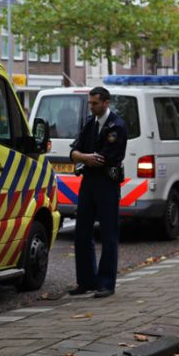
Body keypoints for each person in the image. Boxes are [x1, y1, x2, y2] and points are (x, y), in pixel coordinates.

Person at [68, 86, 128, 298]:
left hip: (107, 185)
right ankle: (86, 281)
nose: (91, 107)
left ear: (106, 103)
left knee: (109, 234)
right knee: (82, 232)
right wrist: (84, 157)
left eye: (95, 103)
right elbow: (73, 151)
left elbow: (105, 158)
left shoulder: (117, 126)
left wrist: (82, 157)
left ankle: (106, 283)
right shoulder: (89, 124)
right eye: (90, 103)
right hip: (88, 183)